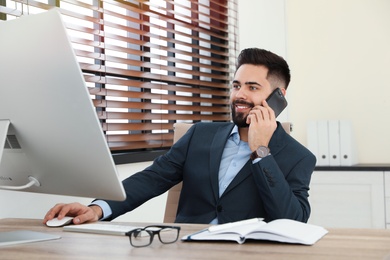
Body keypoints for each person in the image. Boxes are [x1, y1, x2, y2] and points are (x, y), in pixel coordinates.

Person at [44, 48, 316, 225]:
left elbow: (291, 220)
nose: (239, 95)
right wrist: (98, 209)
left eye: (252, 87)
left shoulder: (298, 157)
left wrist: (260, 151)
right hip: (186, 250)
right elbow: (152, 178)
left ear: (278, 97)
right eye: (236, 85)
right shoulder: (200, 135)